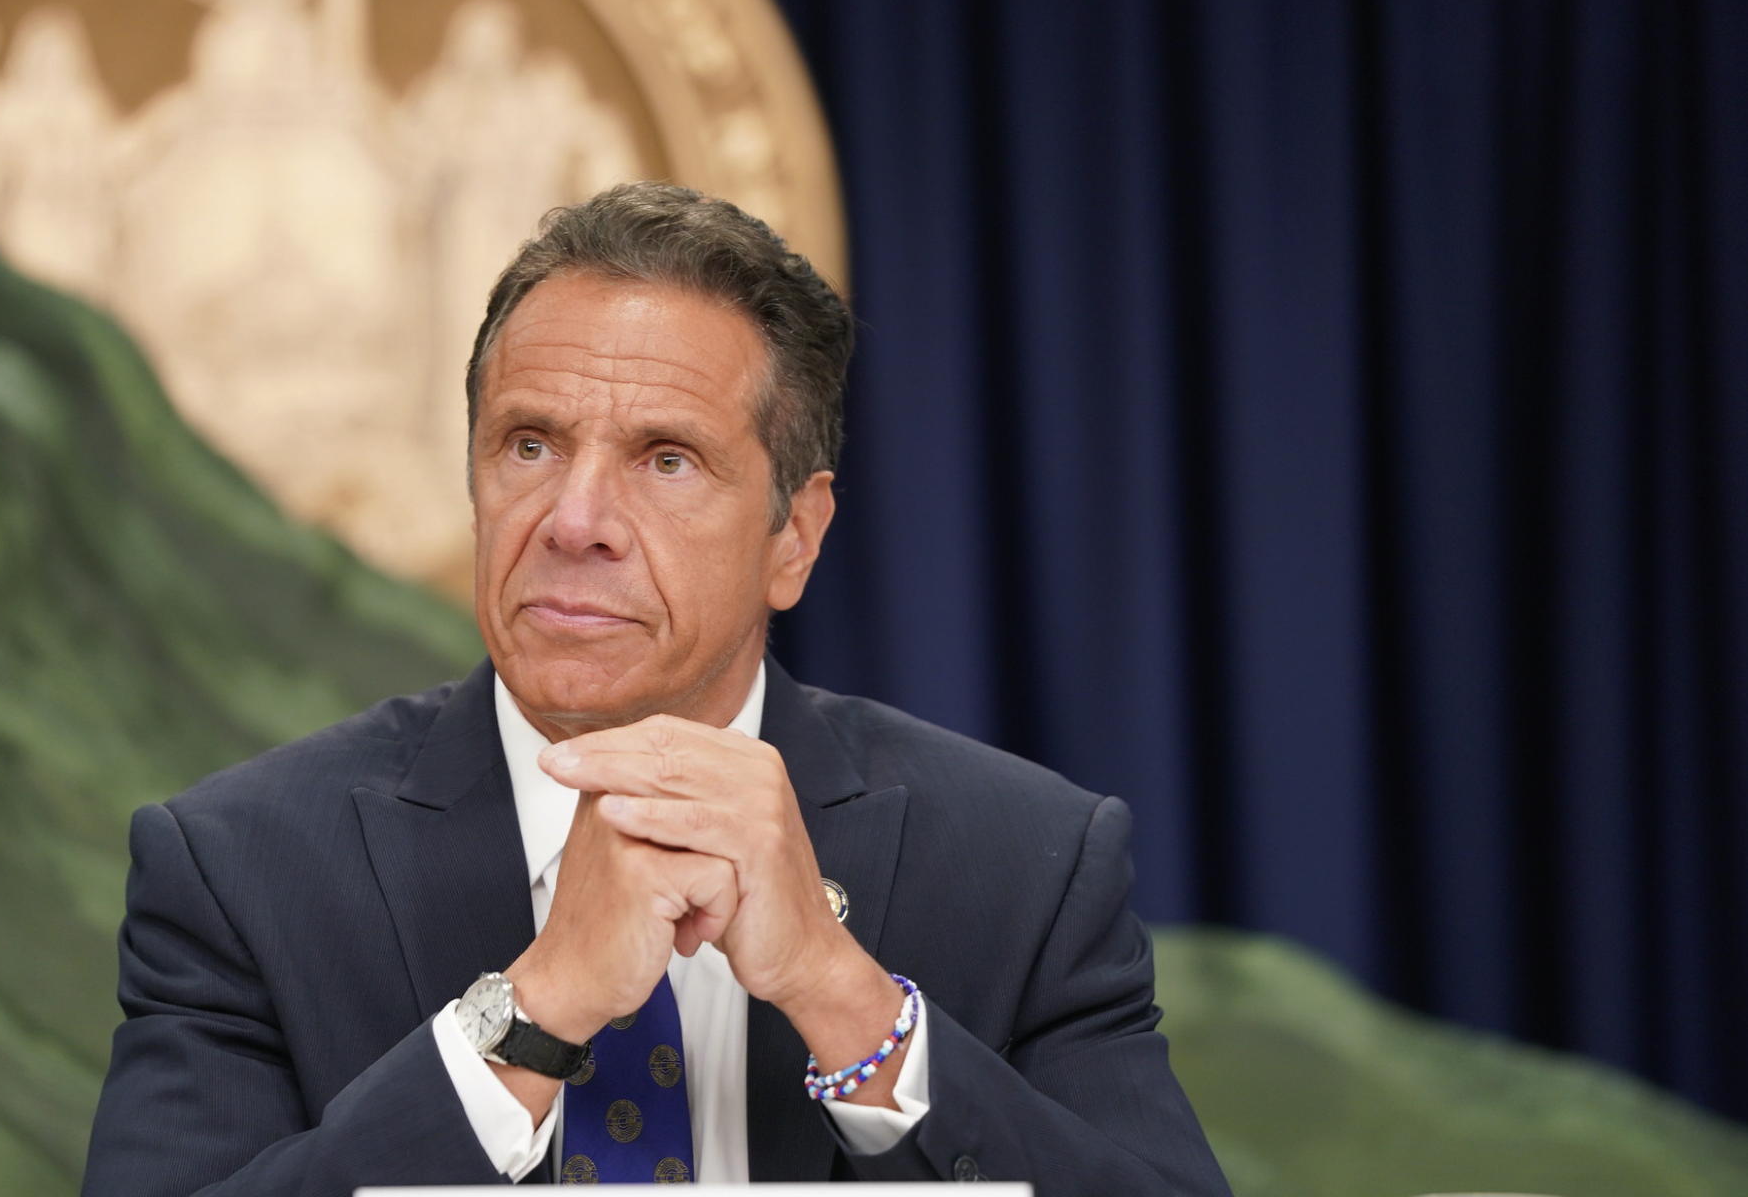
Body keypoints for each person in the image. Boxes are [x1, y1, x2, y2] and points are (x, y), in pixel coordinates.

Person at [80, 183, 1231, 1196]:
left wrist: (842, 998)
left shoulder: (1022, 865)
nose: (574, 521)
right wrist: (533, 1013)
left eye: (666, 459)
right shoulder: (243, 870)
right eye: (530, 445)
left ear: (795, 537)